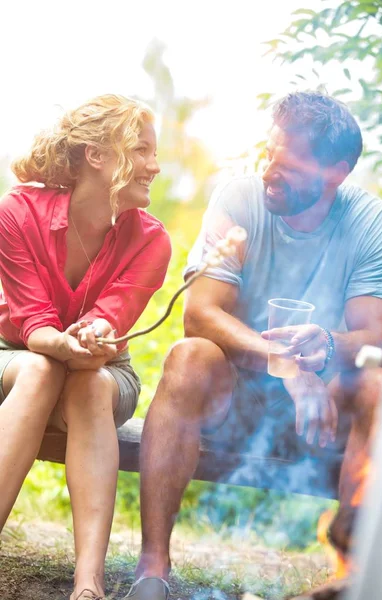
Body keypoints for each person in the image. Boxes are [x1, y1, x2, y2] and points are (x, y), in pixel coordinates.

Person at [128, 91, 382, 600]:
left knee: (376, 385)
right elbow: (200, 314)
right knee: (188, 357)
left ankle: (349, 579)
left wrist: (326, 344)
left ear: (336, 172)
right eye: (269, 152)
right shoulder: (240, 199)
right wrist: (289, 370)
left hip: (322, 417)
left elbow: (377, 340)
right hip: (240, 401)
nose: (270, 170)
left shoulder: (370, 223)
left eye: (289, 162)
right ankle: (152, 571)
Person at [0, 94, 171, 600]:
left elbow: (110, 322)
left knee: (89, 383)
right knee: (40, 370)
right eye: (141, 150)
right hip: (14, 357)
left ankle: (88, 584)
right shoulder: (17, 211)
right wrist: (61, 344)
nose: (155, 166)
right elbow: (33, 324)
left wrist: (94, 337)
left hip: (101, 370)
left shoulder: (151, 241)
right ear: (97, 155)